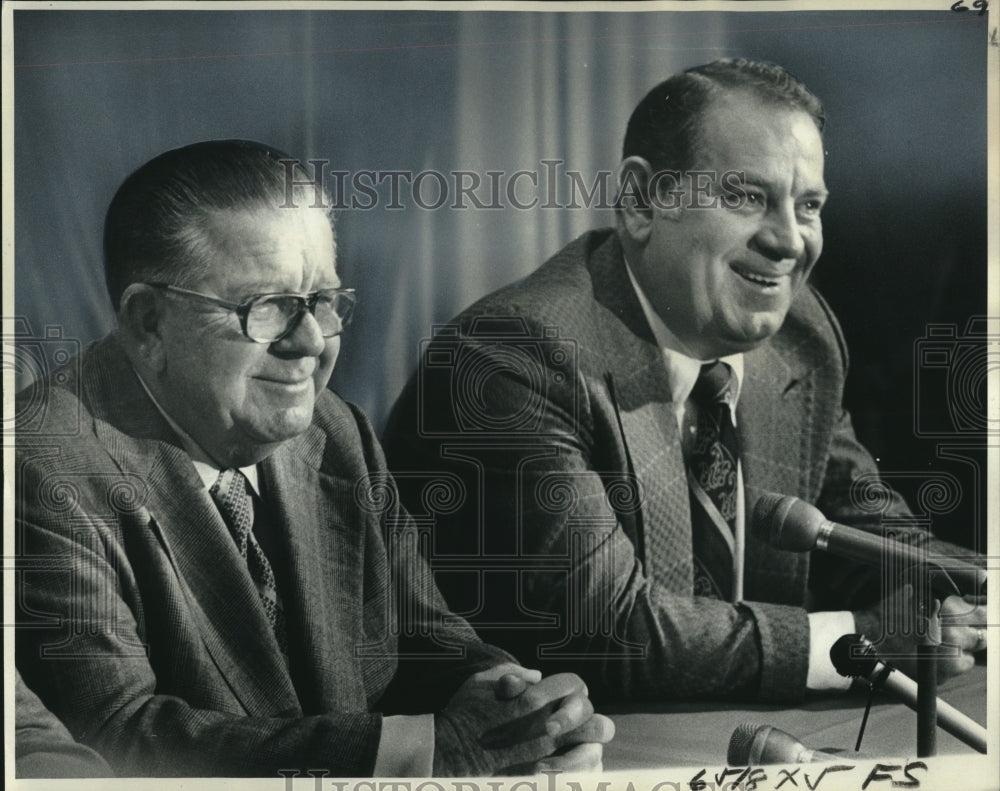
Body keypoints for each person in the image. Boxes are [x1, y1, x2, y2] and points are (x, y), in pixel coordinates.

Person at [383, 59, 986, 703]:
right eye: (745, 196)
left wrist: (964, 593)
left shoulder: (798, 335)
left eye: (807, 206)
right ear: (644, 202)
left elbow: (868, 533)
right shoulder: (516, 357)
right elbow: (610, 632)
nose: (788, 242)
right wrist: (856, 644)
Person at [14, 139, 613, 777]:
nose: (308, 343)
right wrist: (431, 750)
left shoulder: (334, 429)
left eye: (323, 302)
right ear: (148, 323)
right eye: (266, 308)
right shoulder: (42, 468)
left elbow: (428, 638)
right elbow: (118, 736)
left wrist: (517, 704)